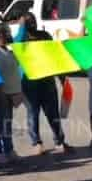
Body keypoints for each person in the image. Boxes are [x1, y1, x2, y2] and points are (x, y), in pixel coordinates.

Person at [15, 12, 75, 155]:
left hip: (47, 81)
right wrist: (22, 27)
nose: (32, 24)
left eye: (33, 20)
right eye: (28, 22)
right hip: (29, 83)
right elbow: (18, 44)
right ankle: (37, 143)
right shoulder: (21, 40)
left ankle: (59, 140)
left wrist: (62, 78)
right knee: (32, 113)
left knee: (52, 113)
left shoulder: (45, 36)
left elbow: (55, 56)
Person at [0, 24, 23, 164]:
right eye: (5, 34)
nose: (8, 36)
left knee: (7, 123)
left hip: (11, 93)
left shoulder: (7, 50)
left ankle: (9, 150)